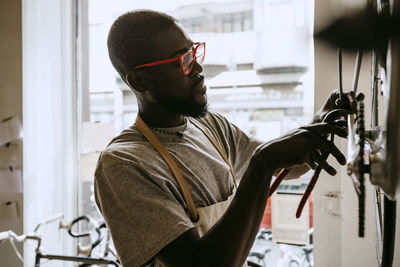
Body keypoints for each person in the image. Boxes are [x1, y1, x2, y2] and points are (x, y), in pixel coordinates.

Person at [94, 9, 360, 267]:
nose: (198, 67)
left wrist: (320, 124)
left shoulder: (209, 126)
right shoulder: (123, 164)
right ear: (139, 81)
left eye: (194, 51)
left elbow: (286, 165)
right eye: (182, 60)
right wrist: (262, 163)